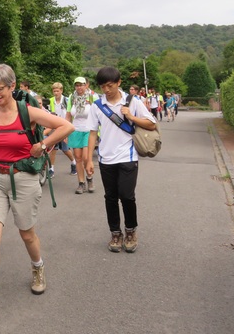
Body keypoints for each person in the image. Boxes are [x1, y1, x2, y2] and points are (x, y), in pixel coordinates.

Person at [0, 64, 74, 327]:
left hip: (24, 179)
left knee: (27, 233)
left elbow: (65, 126)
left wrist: (43, 145)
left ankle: (38, 266)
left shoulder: (27, 112)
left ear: (12, 87)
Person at [86, 66, 156, 254]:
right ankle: (115, 233)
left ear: (118, 83)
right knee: (110, 197)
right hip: (105, 158)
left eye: (110, 85)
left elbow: (151, 123)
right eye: (103, 86)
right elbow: (92, 133)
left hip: (128, 156)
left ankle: (131, 231)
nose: (106, 90)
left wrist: (131, 116)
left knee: (126, 195)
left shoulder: (132, 101)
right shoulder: (97, 106)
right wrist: (88, 160)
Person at [66, 77, 96, 194]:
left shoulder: (92, 96)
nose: (79, 87)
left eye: (81, 85)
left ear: (86, 85)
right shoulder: (72, 97)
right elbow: (68, 115)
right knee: (77, 157)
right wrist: (65, 131)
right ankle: (81, 183)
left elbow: (98, 113)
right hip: (75, 129)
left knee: (86, 157)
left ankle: (90, 179)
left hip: (89, 130)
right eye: (77, 85)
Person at [47, 82, 77, 176]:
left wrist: (68, 130)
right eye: (54, 91)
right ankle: (51, 169)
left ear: (61, 91)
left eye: (57, 91)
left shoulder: (67, 100)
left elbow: (70, 115)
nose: (56, 93)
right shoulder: (51, 101)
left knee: (65, 149)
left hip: (64, 127)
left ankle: (73, 163)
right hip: (55, 128)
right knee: (53, 149)